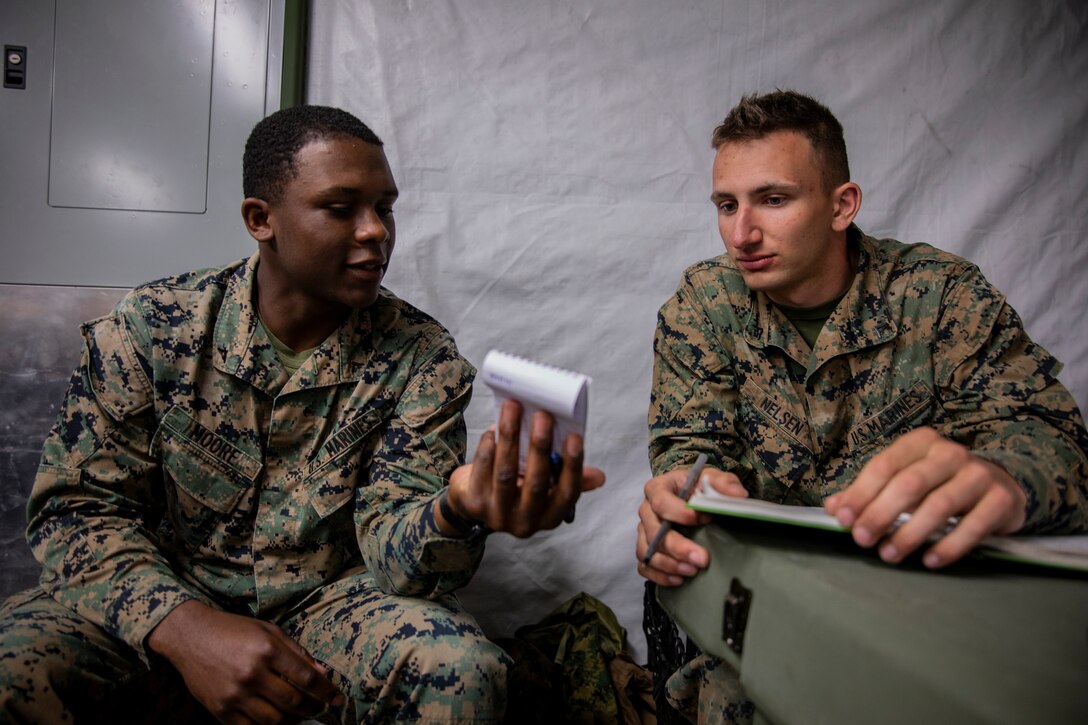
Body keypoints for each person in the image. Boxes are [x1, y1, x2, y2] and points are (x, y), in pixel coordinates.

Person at [0, 105, 604, 724]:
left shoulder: (422, 359)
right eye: (342, 209)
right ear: (261, 219)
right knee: (13, 667)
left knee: (459, 668)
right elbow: (75, 511)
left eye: (385, 207)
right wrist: (189, 631)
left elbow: (397, 559)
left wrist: (456, 509)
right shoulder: (154, 328)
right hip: (163, 589)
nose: (376, 232)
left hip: (327, 604)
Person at [635, 90, 1088, 723]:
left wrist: (1009, 479)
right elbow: (687, 454)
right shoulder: (705, 305)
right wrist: (690, 490)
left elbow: (1054, 441)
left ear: (842, 205)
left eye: (773, 199)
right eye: (726, 205)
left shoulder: (938, 295)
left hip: (922, 605)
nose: (742, 233)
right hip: (771, 603)